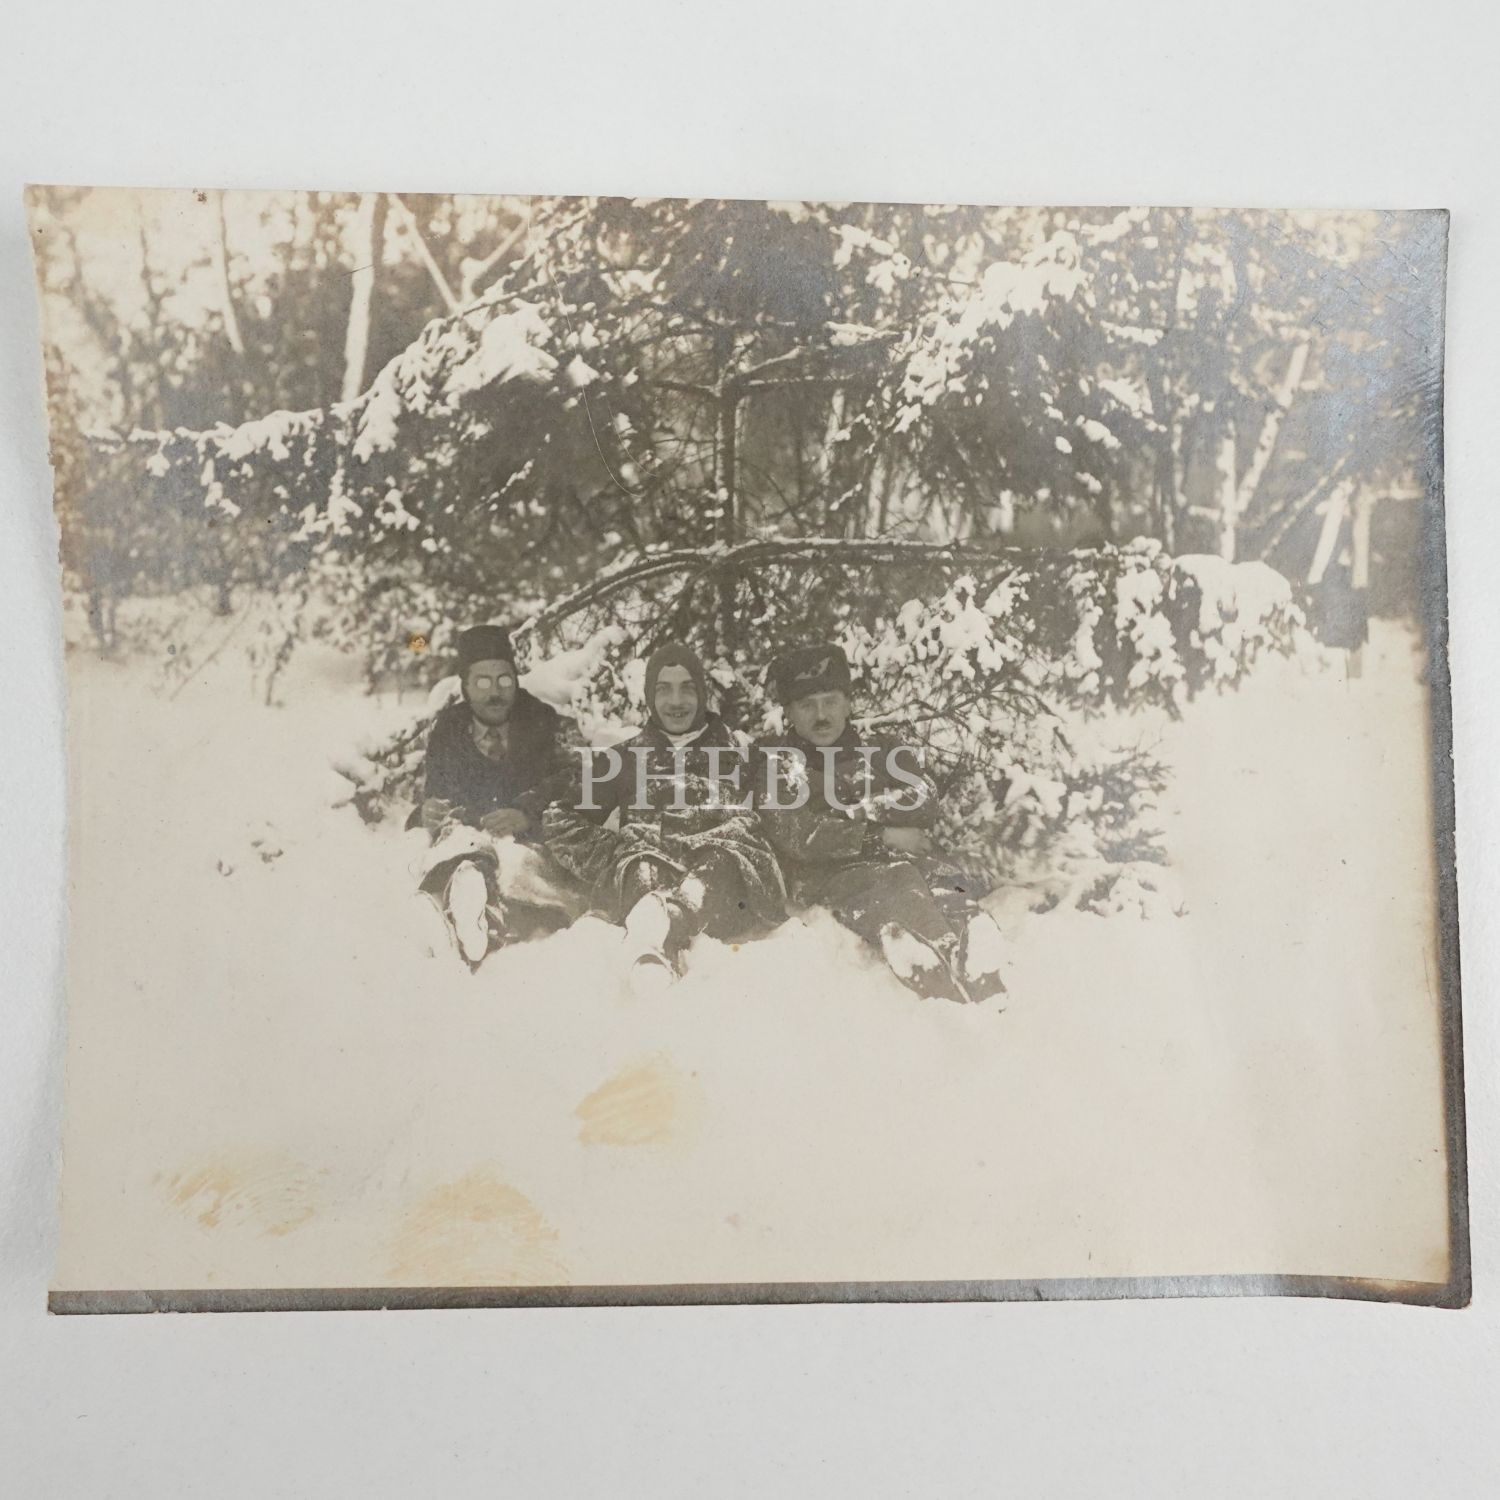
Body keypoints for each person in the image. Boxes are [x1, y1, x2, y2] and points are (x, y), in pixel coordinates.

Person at [752, 643, 1006, 1004]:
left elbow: (923, 796)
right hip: (835, 876)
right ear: (789, 712)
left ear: (848, 703)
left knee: (945, 886)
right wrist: (882, 835)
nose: (821, 715)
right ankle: (940, 959)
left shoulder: (881, 748)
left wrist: (852, 812)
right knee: (897, 884)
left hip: (911, 861)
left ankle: (979, 959)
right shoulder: (780, 765)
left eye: (830, 701)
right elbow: (800, 834)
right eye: (807, 705)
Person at [541, 641, 785, 986]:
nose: (676, 701)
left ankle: (665, 928)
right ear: (649, 696)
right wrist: (614, 853)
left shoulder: (743, 754)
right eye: (664, 689)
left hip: (721, 891)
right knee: (642, 864)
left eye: (687, 688)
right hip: (646, 880)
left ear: (702, 693)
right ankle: (653, 952)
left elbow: (783, 821)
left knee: (722, 858)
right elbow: (560, 818)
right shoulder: (625, 759)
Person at [414, 624, 583, 967]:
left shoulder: (544, 721)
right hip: (472, 837)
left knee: (518, 866)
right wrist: (430, 808)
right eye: (482, 682)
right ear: (465, 685)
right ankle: (467, 909)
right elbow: (439, 789)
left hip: (529, 844)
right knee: (461, 849)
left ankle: (475, 916)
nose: (495, 692)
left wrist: (526, 812)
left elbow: (576, 781)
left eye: (504, 680)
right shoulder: (449, 728)